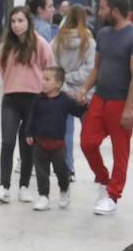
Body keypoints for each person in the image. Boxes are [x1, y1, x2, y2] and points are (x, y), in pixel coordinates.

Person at [77, 0, 133, 216]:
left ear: (115, 11)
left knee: (120, 151)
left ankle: (113, 195)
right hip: (100, 98)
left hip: (122, 102)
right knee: (87, 143)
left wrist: (129, 108)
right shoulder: (104, 34)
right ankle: (103, 179)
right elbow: (97, 67)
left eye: (103, 8)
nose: (99, 12)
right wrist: (85, 88)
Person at [0, 5, 56, 205]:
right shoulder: (5, 46)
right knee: (7, 142)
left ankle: (24, 187)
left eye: (21, 20)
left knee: (27, 144)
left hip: (34, 100)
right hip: (11, 99)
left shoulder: (41, 44)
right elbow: (3, 70)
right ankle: (4, 187)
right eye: (13, 21)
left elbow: (50, 68)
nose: (17, 25)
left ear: (28, 22)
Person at [23, 65, 86, 211]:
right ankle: (43, 196)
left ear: (58, 84)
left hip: (58, 144)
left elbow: (78, 111)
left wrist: (83, 104)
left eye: (47, 79)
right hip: (40, 143)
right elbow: (31, 118)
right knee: (41, 171)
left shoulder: (65, 100)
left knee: (61, 170)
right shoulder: (38, 99)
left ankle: (64, 189)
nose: (43, 82)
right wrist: (29, 133)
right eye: (42, 79)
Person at [50, 3, 95, 176]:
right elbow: (90, 69)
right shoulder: (89, 41)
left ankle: (68, 168)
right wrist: (78, 87)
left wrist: (64, 82)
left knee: (66, 132)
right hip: (84, 92)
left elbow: (52, 67)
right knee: (89, 133)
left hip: (61, 90)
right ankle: (97, 169)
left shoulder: (56, 41)